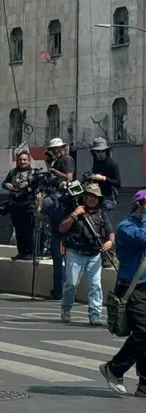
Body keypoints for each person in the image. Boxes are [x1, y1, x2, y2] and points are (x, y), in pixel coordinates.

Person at [100, 189, 146, 398]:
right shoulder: (126, 227)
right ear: (138, 205)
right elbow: (143, 237)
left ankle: (143, 384)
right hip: (132, 288)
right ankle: (115, 368)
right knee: (143, 333)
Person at [58, 182, 115, 326]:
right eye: (90, 195)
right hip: (75, 253)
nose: (92, 199)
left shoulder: (101, 214)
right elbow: (62, 228)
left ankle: (95, 314)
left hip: (94, 255)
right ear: (84, 196)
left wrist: (110, 242)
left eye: (96, 197)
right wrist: (74, 214)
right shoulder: (73, 210)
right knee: (71, 283)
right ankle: (66, 308)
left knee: (96, 285)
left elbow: (111, 232)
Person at [2, 150, 36, 260]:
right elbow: (3, 183)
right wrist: (6, 185)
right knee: (18, 230)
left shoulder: (34, 173)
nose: (22, 162)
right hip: (15, 206)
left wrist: (28, 184)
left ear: (29, 161)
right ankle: (20, 252)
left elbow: (39, 184)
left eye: (25, 159)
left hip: (28, 205)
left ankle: (29, 253)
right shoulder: (13, 172)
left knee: (28, 231)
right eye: (20, 159)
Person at [88, 137, 121, 211]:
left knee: (104, 219)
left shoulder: (112, 164)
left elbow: (118, 183)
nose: (100, 154)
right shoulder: (95, 160)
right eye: (98, 152)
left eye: (103, 151)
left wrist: (103, 178)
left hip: (108, 197)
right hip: (96, 195)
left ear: (106, 151)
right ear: (94, 152)